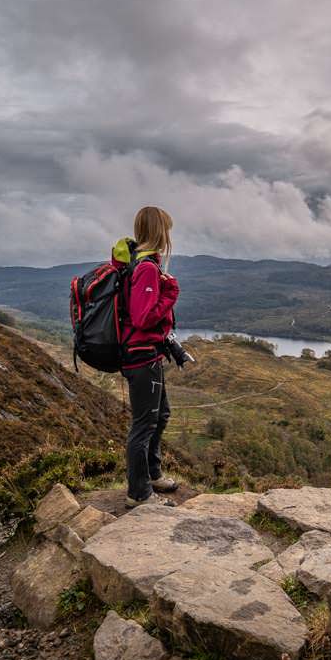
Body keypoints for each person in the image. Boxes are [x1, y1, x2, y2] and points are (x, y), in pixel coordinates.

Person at [116, 205, 181, 508]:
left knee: (161, 416)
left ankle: (152, 474)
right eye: (166, 229)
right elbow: (143, 318)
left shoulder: (143, 264)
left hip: (148, 355)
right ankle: (139, 494)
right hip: (141, 358)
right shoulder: (145, 268)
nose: (169, 235)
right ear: (159, 232)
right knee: (144, 425)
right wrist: (170, 294)